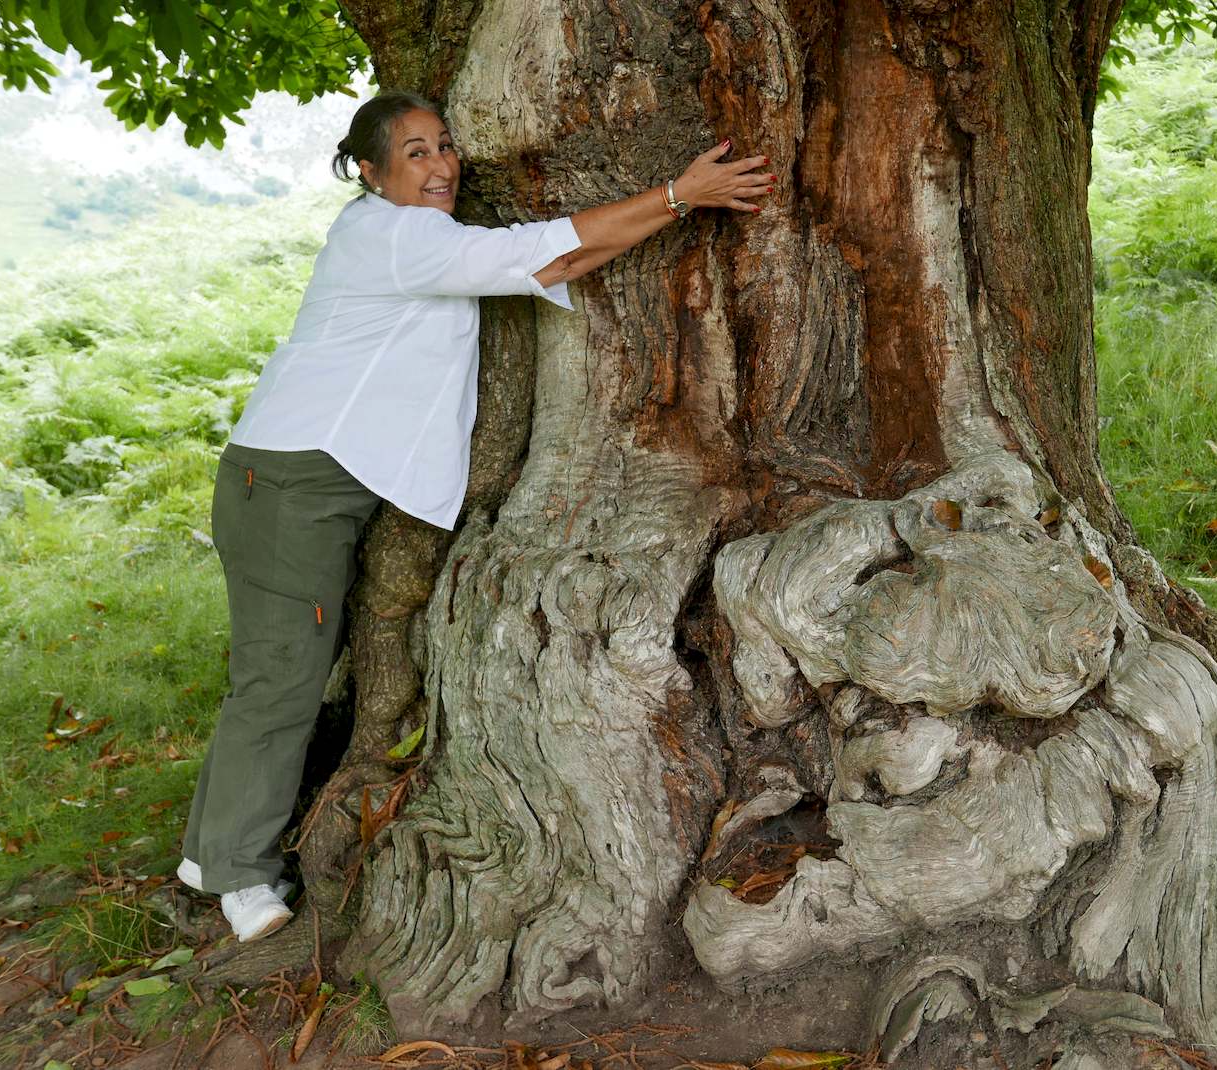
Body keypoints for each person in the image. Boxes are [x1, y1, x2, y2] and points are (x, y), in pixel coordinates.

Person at [177, 90, 776, 943]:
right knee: (282, 677)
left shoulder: (394, 234)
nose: (441, 166)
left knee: (277, 669)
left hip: (293, 480)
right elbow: (550, 256)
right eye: (414, 153)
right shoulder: (393, 233)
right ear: (371, 172)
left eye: (445, 147)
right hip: (292, 486)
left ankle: (210, 853)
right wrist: (680, 196)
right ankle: (238, 874)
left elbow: (549, 262)